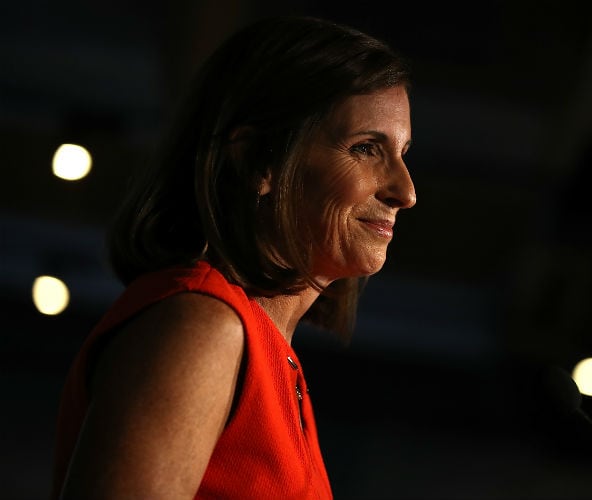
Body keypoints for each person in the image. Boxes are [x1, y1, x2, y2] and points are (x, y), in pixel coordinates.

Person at [50, 14, 416, 499]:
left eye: (403, 152)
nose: (405, 190)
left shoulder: (269, 356)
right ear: (257, 159)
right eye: (367, 148)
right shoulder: (202, 326)